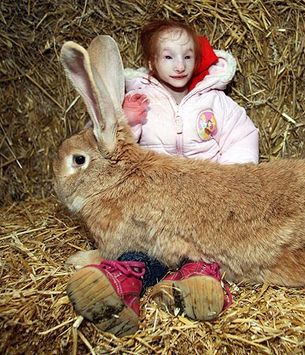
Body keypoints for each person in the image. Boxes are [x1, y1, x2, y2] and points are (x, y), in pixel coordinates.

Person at [66, 19, 259, 337]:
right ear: (151, 63)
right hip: (154, 202)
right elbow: (111, 146)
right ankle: (125, 281)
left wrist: (234, 178)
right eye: (169, 57)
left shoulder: (216, 102)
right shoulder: (140, 99)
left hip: (205, 196)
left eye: (187, 56)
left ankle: (198, 279)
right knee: (143, 246)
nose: (180, 65)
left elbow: (242, 134)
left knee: (201, 247)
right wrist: (128, 121)